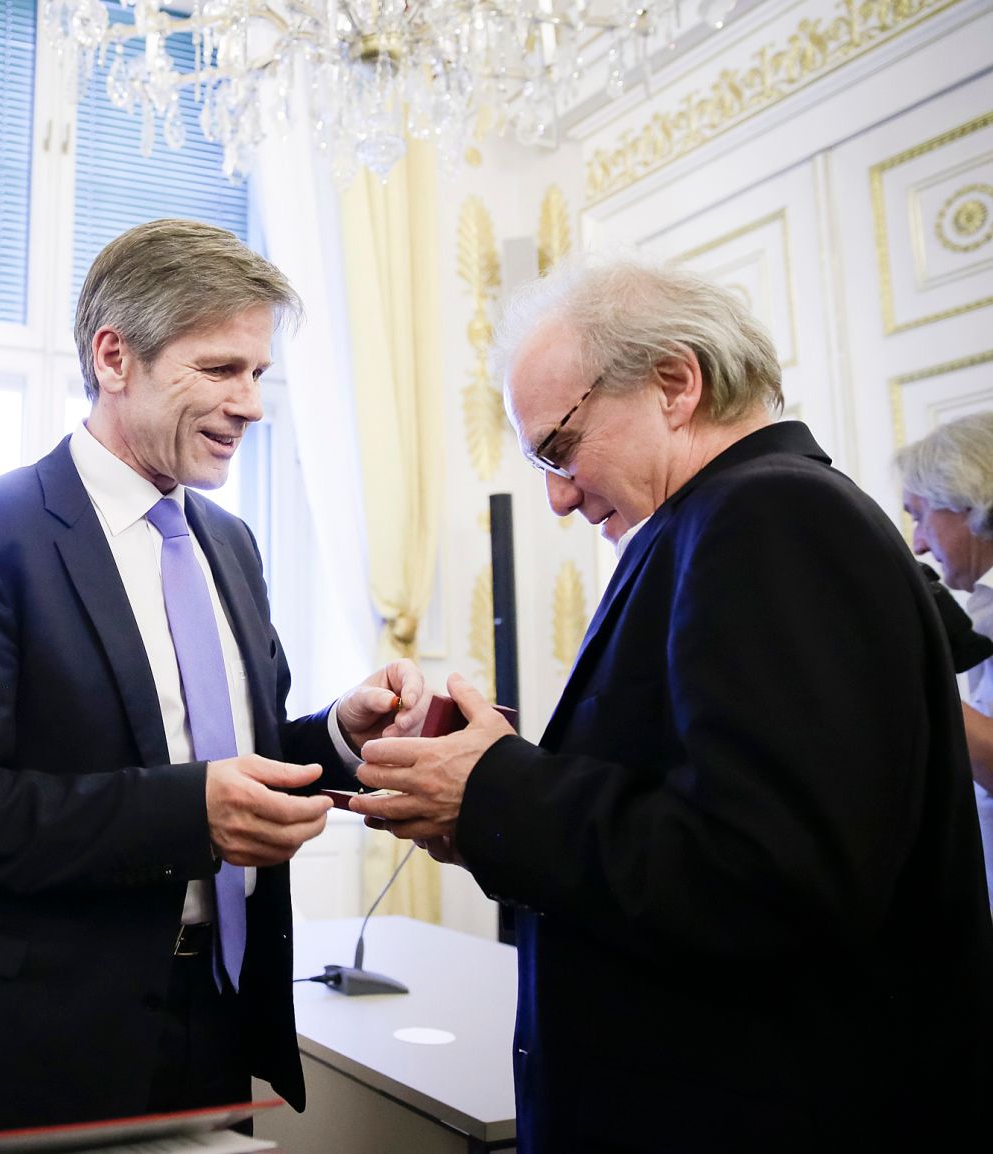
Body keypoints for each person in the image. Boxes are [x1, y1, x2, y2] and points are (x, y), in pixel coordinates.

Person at [349, 259, 993, 1151]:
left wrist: (499, 790)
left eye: (560, 450)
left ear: (674, 384)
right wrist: (487, 779)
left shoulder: (770, 517)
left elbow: (771, 875)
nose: (560, 496)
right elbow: (687, 798)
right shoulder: (727, 518)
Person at [0, 218, 428, 1137]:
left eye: (260, 374)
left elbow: (228, 757)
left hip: (216, 1014)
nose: (252, 404)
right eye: (221, 370)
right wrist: (189, 813)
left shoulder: (233, 544)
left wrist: (338, 736)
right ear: (113, 356)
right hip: (38, 1041)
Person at [896, 411, 993, 903]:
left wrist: (905, 674)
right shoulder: (982, 609)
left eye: (919, 514)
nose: (918, 544)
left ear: (968, 499)